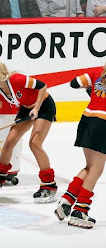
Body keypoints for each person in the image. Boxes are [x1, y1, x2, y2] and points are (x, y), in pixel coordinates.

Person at [0, 61, 57, 203]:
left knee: (35, 143)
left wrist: (37, 108)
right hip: (27, 109)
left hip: (44, 105)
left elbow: (42, 86)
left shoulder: (16, 79)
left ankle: (49, 186)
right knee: (9, 142)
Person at [54, 63, 106, 229]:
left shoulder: (97, 72)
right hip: (103, 124)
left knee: (89, 167)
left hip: (87, 119)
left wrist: (91, 90)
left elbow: (75, 83)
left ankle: (67, 201)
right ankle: (80, 210)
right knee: (96, 169)